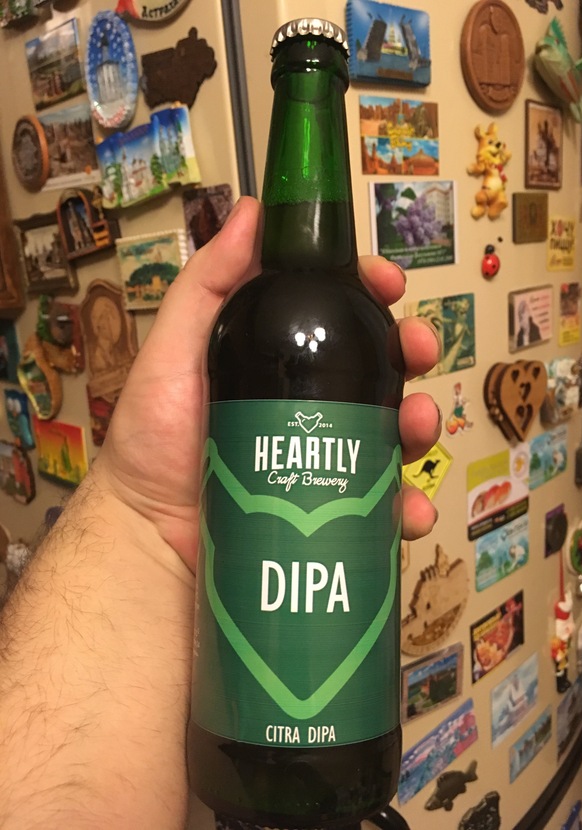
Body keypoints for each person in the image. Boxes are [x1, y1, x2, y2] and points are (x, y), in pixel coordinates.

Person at [0, 197, 441, 828]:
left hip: (358, 738)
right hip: (231, 739)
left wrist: (136, 511)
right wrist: (132, 505)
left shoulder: (362, 320)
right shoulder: (246, 317)